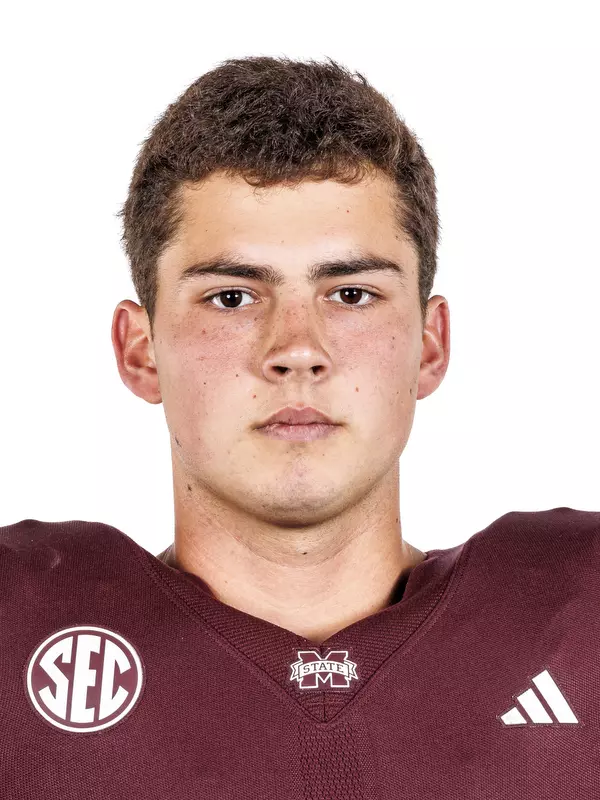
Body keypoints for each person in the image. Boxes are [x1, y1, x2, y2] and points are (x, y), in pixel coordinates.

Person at [2, 55, 598, 798]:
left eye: (350, 293)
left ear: (430, 344)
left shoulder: (582, 620)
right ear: (139, 350)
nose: (296, 351)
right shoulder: (18, 636)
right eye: (231, 298)